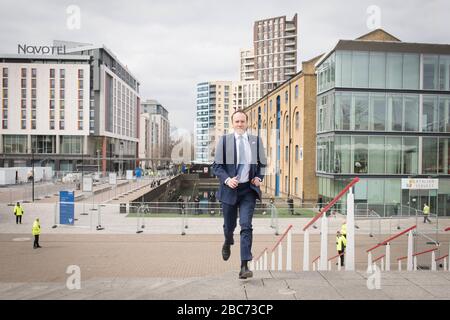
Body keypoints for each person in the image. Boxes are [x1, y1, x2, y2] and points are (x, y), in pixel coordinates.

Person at [212, 110, 267, 279]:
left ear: (246, 123)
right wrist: (227, 180)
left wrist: (258, 177)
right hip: (229, 190)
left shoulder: (255, 141)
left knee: (246, 225)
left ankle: (244, 265)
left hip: (247, 191)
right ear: (233, 123)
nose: (240, 124)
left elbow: (262, 164)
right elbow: (216, 167)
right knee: (229, 227)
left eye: (242, 121)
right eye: (237, 121)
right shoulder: (224, 141)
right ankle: (228, 241)